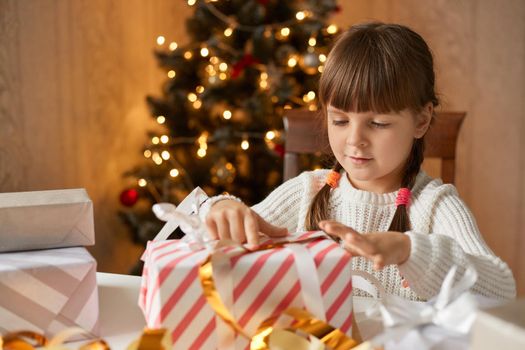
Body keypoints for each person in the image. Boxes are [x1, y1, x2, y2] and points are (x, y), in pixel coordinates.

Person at [198, 22, 516, 301]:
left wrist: (410, 252)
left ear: (421, 120)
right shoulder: (308, 191)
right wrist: (220, 209)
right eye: (340, 121)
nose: (354, 140)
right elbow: (212, 244)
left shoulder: (434, 206)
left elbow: (501, 290)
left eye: (377, 124)